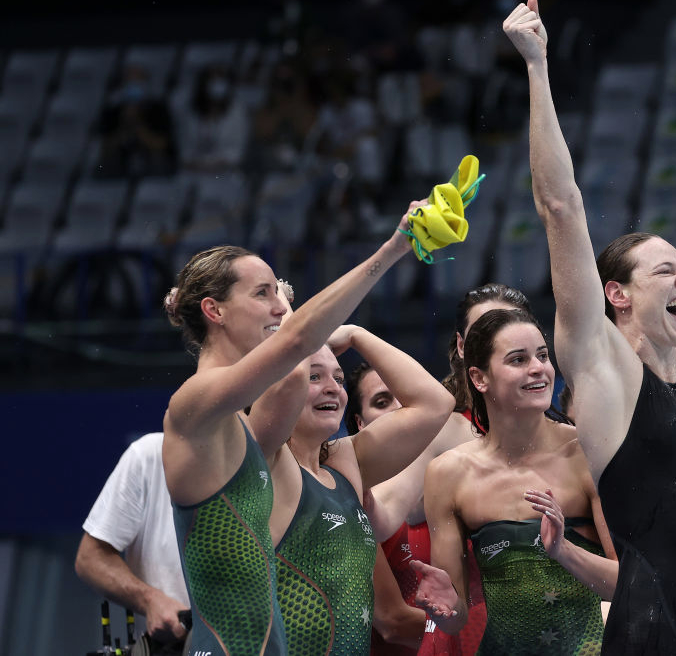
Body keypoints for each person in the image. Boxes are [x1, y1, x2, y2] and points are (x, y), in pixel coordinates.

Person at [503, 0, 676, 655]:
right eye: (666, 272)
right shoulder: (600, 367)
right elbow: (561, 206)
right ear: (616, 294)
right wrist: (538, 67)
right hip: (651, 630)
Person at [162, 202, 423, 656]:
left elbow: (294, 369)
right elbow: (297, 343)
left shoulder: (250, 432)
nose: (278, 305)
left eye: (279, 295)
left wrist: (286, 314)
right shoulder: (192, 406)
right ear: (214, 310)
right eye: (262, 293)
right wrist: (395, 247)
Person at [412, 308, 619, 655]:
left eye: (542, 355)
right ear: (479, 378)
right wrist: (445, 607)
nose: (538, 367)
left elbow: (627, 586)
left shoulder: (588, 453)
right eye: (518, 359)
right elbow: (456, 616)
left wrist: (564, 551)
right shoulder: (447, 474)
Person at [353, 283, 533, 655]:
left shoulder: (565, 437)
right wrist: (344, 484)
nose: (503, 340)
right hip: (468, 639)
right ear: (464, 348)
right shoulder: (442, 431)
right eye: (486, 331)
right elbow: (383, 513)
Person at [266, 326, 454, 656]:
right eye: (314, 377)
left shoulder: (343, 462)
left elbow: (436, 403)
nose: (332, 389)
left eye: (338, 380)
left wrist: (356, 336)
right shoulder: (270, 465)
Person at [75, 433, 189, 655]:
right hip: (166, 646)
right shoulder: (150, 455)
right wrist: (149, 599)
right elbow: (90, 557)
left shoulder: (270, 463)